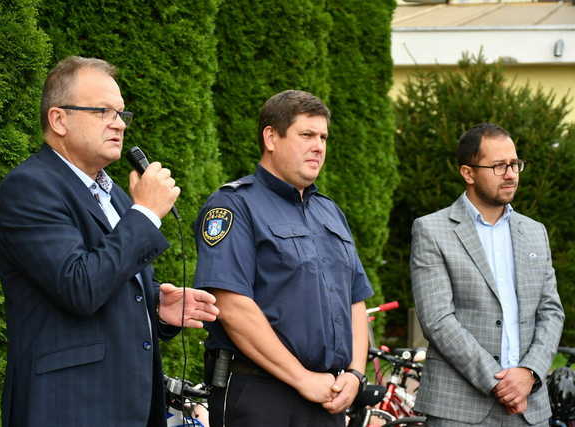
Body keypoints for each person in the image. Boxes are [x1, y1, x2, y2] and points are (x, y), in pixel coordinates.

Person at [0, 56, 219, 427]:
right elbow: (79, 285)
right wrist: (146, 214)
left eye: (121, 114)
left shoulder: (116, 196)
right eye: (103, 111)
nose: (118, 124)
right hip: (68, 408)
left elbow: (110, 282)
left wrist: (156, 307)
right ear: (58, 119)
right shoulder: (30, 188)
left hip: (129, 407)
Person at [193, 90, 374, 427]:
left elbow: (355, 300)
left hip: (329, 397)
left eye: (323, 137)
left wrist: (354, 374)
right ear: (271, 137)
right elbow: (231, 305)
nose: (318, 146)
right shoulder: (234, 206)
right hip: (261, 396)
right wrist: (302, 378)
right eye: (306, 135)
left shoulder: (330, 212)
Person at [410, 123, 564, 426]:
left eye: (514, 164)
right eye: (498, 166)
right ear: (468, 173)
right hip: (459, 409)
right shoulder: (432, 230)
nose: (510, 174)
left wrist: (529, 373)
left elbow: (551, 311)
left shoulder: (534, 232)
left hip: (529, 409)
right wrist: (499, 382)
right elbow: (438, 320)